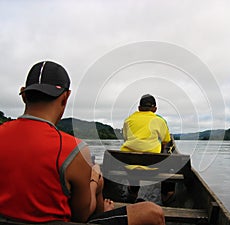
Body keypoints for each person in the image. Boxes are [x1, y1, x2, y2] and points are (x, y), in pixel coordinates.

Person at [0, 61, 165, 225]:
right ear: (65, 97)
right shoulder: (73, 149)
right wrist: (94, 181)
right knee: (152, 212)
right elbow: (81, 215)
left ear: (23, 94)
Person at [121, 94, 174, 203]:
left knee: (132, 160)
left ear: (139, 108)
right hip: (153, 169)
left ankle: (133, 190)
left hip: (129, 167)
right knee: (170, 163)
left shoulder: (128, 120)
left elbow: (126, 139)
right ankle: (166, 195)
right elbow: (166, 141)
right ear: (155, 109)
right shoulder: (159, 121)